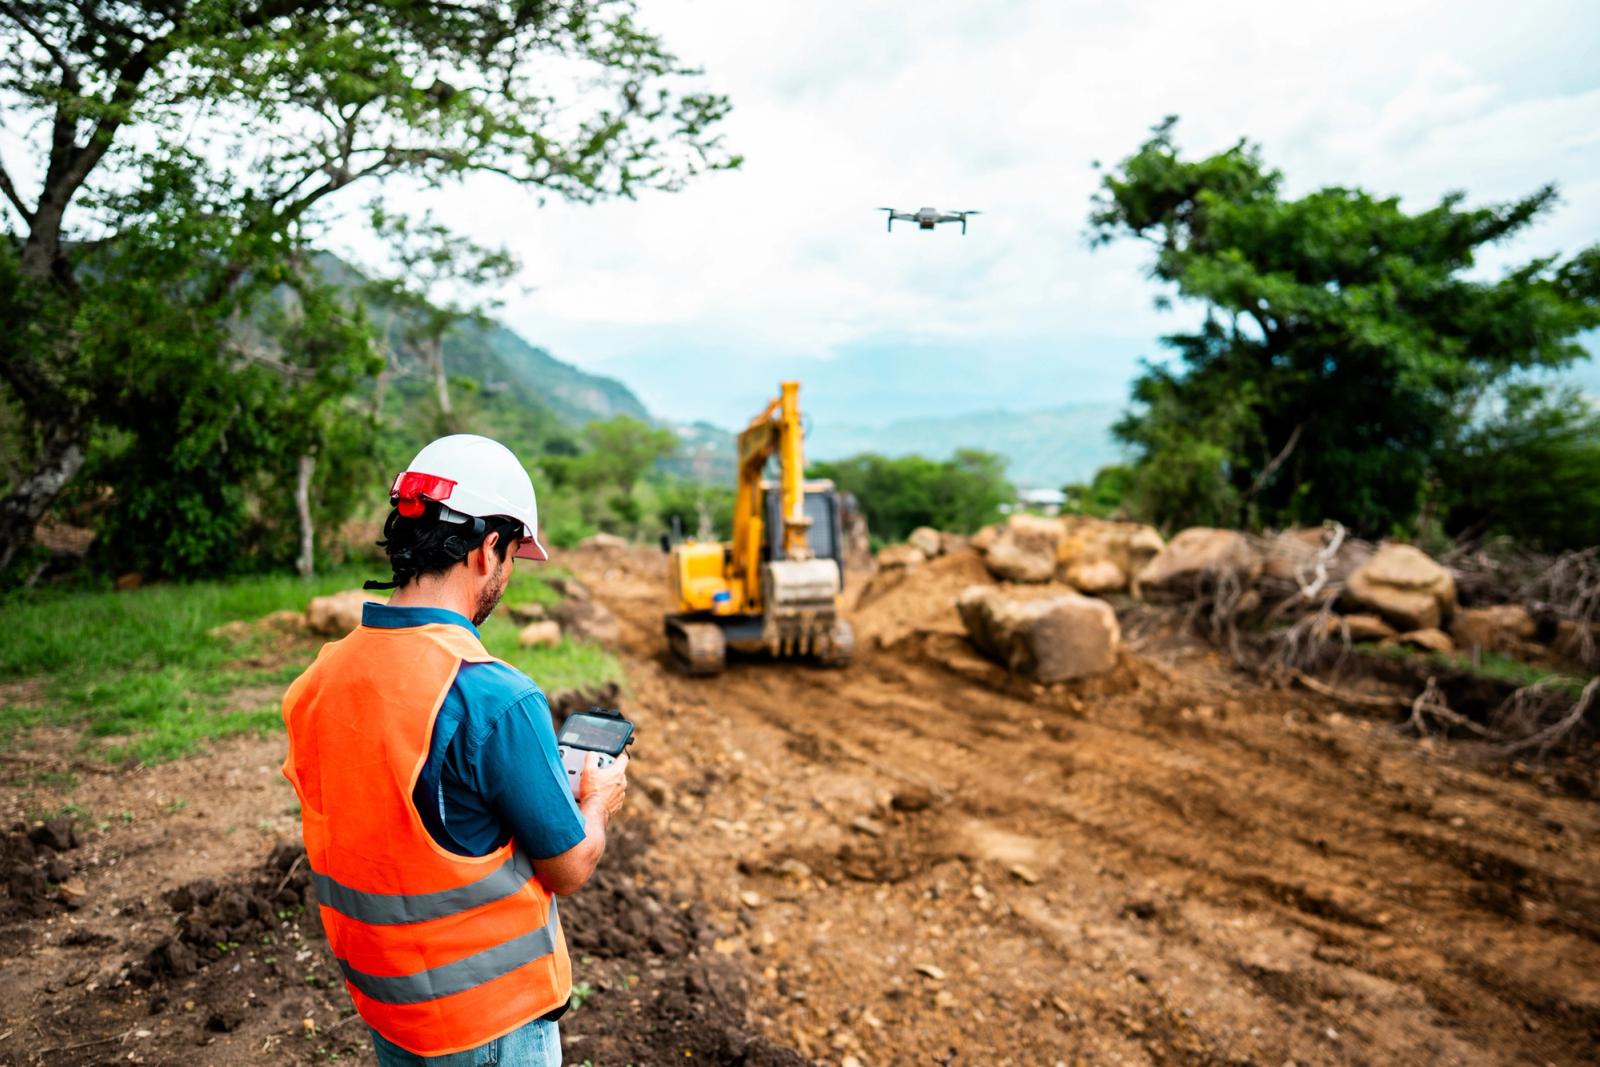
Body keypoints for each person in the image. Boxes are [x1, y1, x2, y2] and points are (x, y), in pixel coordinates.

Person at [281, 434, 628, 1067]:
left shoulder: (319, 680)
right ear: (488, 547)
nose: (507, 573)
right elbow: (570, 867)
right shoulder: (494, 697)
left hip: (390, 1009)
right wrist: (599, 800)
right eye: (511, 555)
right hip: (488, 1025)